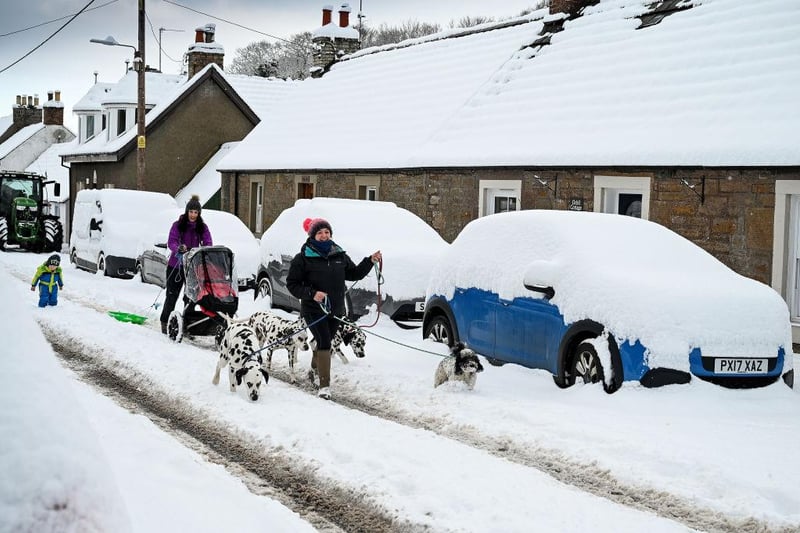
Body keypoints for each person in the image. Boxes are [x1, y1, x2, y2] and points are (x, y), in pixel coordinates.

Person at [286, 217, 381, 400]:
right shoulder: (303, 257)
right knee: (324, 342)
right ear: (312, 235)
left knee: (325, 342)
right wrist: (312, 293)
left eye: (327, 232)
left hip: (335, 310)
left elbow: (354, 274)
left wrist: (370, 261)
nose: (324, 235)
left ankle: (314, 370)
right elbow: (292, 284)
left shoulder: (339, 255)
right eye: (320, 233)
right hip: (313, 309)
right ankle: (324, 386)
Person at [160, 195, 213, 334]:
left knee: (191, 298)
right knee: (172, 295)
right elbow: (171, 241)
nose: (193, 215)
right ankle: (165, 322)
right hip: (176, 265)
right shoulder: (178, 225)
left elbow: (208, 243)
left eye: (196, 212)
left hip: (193, 268)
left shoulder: (202, 227)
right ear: (187, 211)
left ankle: (186, 324)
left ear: (199, 213)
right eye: (191, 212)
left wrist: (204, 251)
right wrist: (178, 247)